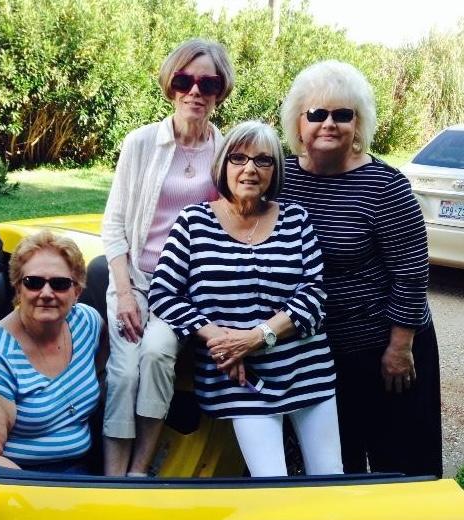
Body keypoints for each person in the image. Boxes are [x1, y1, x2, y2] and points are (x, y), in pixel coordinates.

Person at [149, 121, 343, 477]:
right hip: (239, 380)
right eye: (238, 158)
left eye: (263, 161)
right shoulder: (193, 223)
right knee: (271, 485)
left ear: (275, 170)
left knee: (330, 480)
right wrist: (221, 340)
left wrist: (256, 338)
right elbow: (162, 292)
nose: (250, 169)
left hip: (306, 370)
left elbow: (315, 294)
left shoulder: (296, 220)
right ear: (223, 165)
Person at [278, 60, 442, 477]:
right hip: (320, 351)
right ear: (299, 122)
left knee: (400, 461)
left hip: (386, 346)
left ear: (359, 123)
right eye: (317, 114)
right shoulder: (281, 178)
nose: (328, 124)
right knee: (338, 463)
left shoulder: (385, 186)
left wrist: (399, 347)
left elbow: (410, 271)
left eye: (342, 114)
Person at [101, 38, 235, 476]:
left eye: (207, 83)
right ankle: (112, 476)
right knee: (122, 373)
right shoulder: (140, 143)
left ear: (220, 90)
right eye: (184, 80)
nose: (195, 91)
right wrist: (123, 293)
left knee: (158, 354)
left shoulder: (226, 153)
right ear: (171, 85)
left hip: (182, 290)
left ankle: (139, 472)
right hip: (134, 281)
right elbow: (114, 224)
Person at [0, 230, 107, 473]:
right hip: (11, 476)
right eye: (33, 282)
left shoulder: (86, 323)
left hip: (73, 468)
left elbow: (101, 363)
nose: (46, 293)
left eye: (59, 283)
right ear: (18, 289)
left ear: (76, 291)